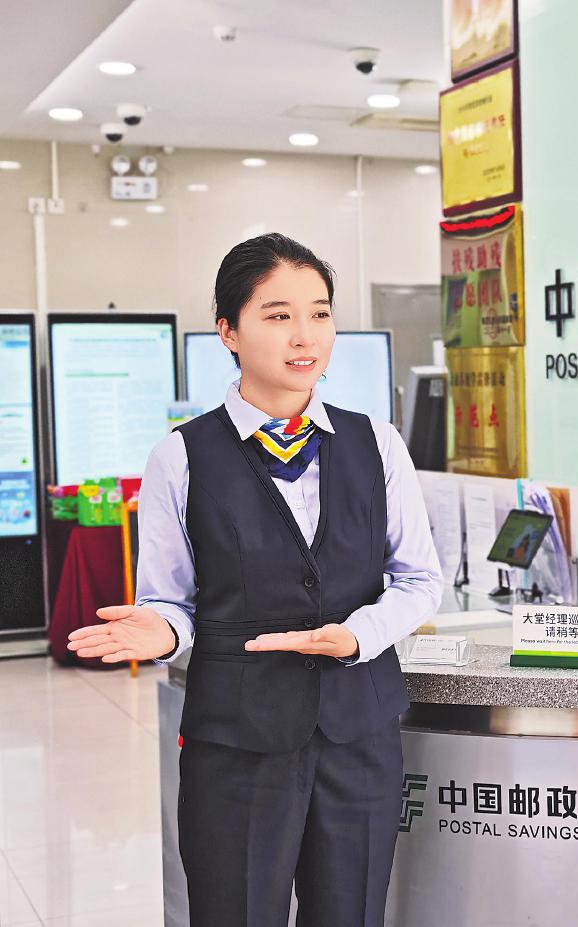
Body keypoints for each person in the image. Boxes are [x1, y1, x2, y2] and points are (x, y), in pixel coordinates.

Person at [68, 233, 443, 927]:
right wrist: (162, 629)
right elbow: (170, 597)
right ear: (228, 332)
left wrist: (357, 635)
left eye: (320, 313)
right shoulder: (181, 457)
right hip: (236, 744)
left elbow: (420, 579)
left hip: (359, 738)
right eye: (278, 315)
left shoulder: (378, 443)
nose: (306, 336)